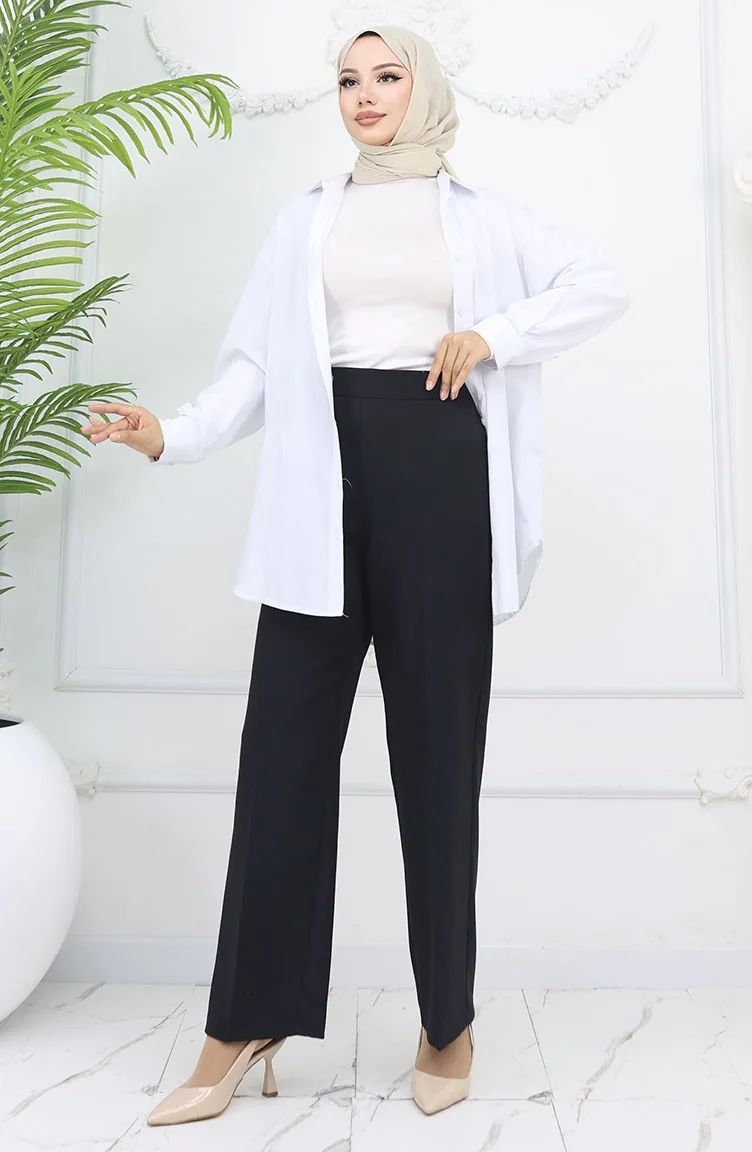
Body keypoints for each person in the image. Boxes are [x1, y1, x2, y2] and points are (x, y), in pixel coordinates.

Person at [81, 25, 629, 1123]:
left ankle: (446, 1020)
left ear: (422, 88)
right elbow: (254, 367)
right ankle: (244, 1022)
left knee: (437, 755)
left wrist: (492, 332)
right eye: (347, 79)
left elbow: (599, 282)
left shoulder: (482, 218)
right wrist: (169, 435)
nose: (364, 94)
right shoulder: (304, 221)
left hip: (436, 466)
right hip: (318, 478)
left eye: (386, 76)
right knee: (280, 753)